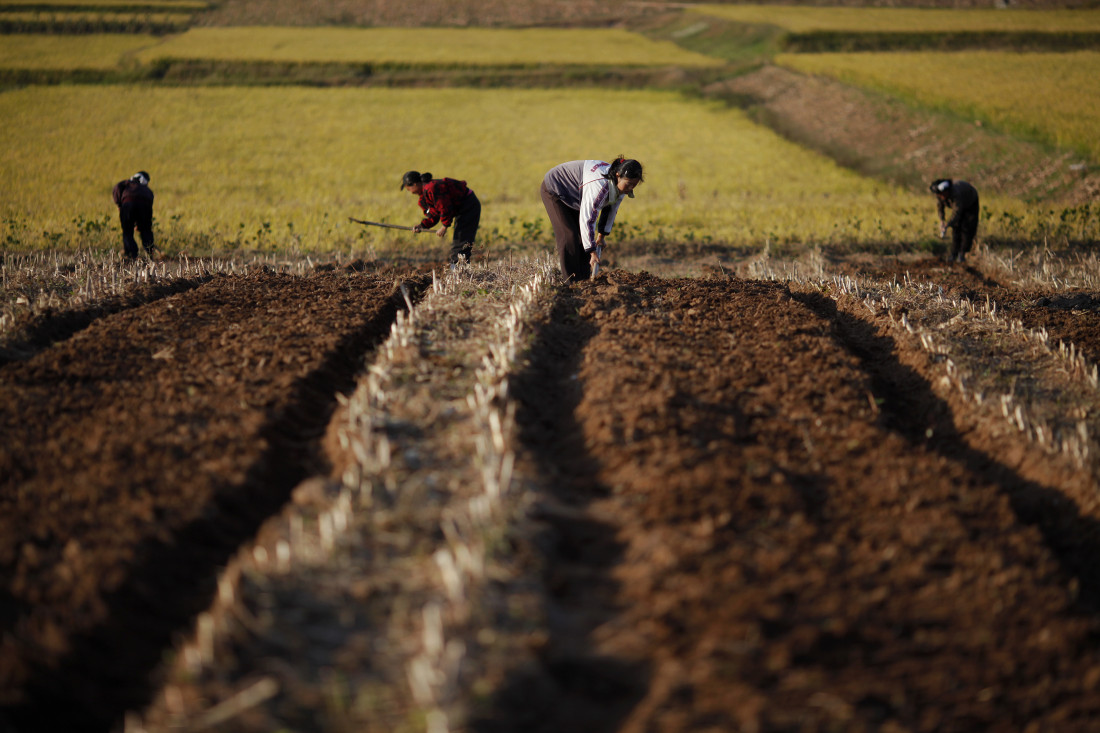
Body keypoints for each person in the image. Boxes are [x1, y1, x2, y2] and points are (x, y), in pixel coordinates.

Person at [541, 156, 643, 282]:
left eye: (634, 185)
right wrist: (592, 251)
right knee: (570, 236)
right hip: (556, 188)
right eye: (628, 184)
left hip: (577, 193)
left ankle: (583, 280)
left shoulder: (621, 188)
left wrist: (601, 236)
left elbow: (611, 210)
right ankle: (571, 282)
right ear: (618, 175)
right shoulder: (599, 186)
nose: (630, 189)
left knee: (582, 238)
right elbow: (588, 219)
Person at [401, 170, 481, 265]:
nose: (410, 192)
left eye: (408, 189)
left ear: (414, 184)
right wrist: (422, 226)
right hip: (459, 209)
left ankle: (458, 273)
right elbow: (434, 215)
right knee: (460, 243)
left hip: (468, 205)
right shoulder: (424, 198)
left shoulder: (432, 188)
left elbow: (445, 207)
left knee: (461, 242)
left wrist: (444, 226)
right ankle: (458, 272)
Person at [930, 178, 979, 263]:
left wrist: (947, 224)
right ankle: (954, 254)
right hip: (960, 206)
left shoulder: (956, 194)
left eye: (941, 195)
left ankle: (962, 254)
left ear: (946, 192)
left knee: (967, 229)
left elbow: (957, 212)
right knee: (956, 229)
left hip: (970, 204)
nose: (940, 197)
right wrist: (942, 221)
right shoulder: (940, 195)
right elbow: (940, 208)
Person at [112, 170, 156, 259]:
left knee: (127, 231)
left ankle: (131, 254)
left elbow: (116, 189)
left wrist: (119, 204)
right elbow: (149, 208)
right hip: (145, 206)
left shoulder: (125, 183)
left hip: (127, 205)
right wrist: (141, 225)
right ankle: (150, 253)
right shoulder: (147, 190)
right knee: (146, 230)